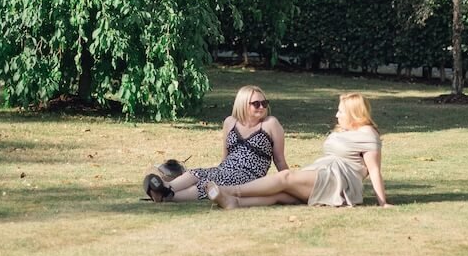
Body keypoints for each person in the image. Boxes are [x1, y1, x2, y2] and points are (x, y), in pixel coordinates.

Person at [206, 92, 392, 209]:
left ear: (354, 114)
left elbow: (374, 171)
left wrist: (382, 202)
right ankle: (234, 203)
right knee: (281, 194)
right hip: (324, 172)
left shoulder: (368, 134)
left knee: (285, 177)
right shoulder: (346, 130)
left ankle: (229, 191)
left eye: (341, 112)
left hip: (338, 180)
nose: (336, 115)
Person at [143, 84, 288, 203]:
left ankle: (168, 196)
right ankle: (165, 187)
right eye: (256, 104)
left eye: (264, 103)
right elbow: (225, 157)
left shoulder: (270, 124)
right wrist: (216, 171)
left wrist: (290, 183)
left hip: (249, 176)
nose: (262, 107)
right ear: (243, 104)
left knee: (209, 182)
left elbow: (279, 160)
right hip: (225, 169)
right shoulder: (230, 122)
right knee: (197, 173)